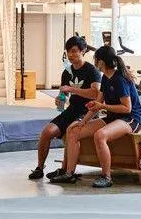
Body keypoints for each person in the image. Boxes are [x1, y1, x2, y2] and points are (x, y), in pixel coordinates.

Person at [51, 47, 141, 189]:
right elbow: (97, 104)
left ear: (101, 62)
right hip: (113, 117)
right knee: (73, 131)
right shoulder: (105, 78)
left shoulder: (119, 79)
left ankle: (106, 176)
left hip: (130, 119)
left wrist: (102, 106)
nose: (94, 62)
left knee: (100, 135)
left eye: (95, 59)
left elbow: (127, 108)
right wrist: (83, 121)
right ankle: (69, 173)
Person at [29, 36, 101, 180]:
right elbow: (64, 95)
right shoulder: (67, 72)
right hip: (72, 110)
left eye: (74, 51)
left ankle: (66, 170)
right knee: (46, 132)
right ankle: (39, 168)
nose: (70, 55)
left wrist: (72, 89)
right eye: (68, 51)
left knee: (70, 132)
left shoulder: (92, 70)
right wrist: (60, 100)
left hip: (88, 111)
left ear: (83, 51)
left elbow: (95, 93)